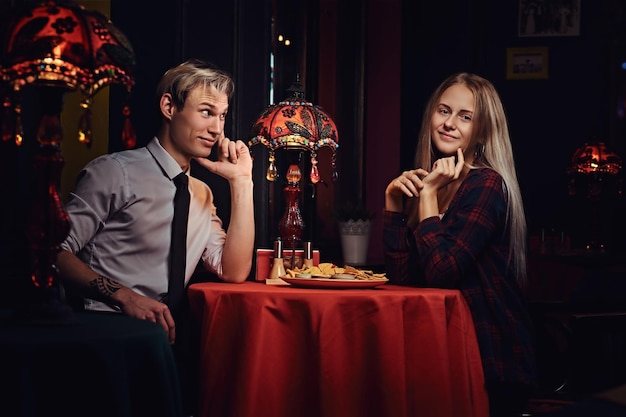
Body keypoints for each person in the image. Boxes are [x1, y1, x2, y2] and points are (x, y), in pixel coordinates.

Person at [56, 58, 255, 415]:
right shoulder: (115, 172)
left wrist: (242, 183)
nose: (217, 130)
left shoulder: (200, 193)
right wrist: (125, 297)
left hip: (173, 343)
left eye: (222, 116)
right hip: (107, 334)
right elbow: (54, 253)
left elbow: (234, 270)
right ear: (169, 106)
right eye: (207, 112)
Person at [383, 73, 536, 417]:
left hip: (490, 358)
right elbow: (403, 278)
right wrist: (393, 204)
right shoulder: (435, 182)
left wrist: (428, 198)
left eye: (465, 117)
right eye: (444, 111)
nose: (450, 123)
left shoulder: (487, 185)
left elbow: (441, 272)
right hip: (442, 349)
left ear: (481, 130)